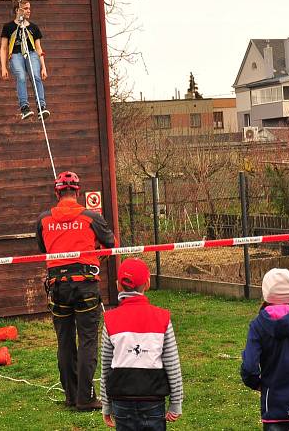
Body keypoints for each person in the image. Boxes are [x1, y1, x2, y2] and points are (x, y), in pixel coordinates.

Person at [36, 171, 116, 411]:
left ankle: (71, 396)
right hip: (85, 287)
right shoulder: (91, 217)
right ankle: (85, 397)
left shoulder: (43, 219)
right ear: (78, 192)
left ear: (57, 192)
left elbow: (43, 249)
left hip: (58, 288)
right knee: (88, 340)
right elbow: (111, 243)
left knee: (65, 341)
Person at [100, 258, 183, 430]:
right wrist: (176, 402)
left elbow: (106, 367)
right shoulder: (163, 318)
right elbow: (172, 363)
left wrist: (106, 404)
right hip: (152, 399)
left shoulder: (109, 320)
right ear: (147, 283)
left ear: (118, 285)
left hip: (121, 400)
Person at [241, 269, 289, 431]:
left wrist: (257, 384)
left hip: (274, 404)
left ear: (266, 293)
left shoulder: (257, 325)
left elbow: (249, 366)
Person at [0, 0, 50, 121]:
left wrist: (43, 67)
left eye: (29, 8)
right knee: (21, 76)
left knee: (36, 76)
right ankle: (24, 107)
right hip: (16, 54)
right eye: (25, 8)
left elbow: (38, 48)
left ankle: (41, 106)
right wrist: (3, 67)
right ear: (18, 10)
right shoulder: (8, 27)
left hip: (31, 53)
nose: (29, 10)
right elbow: (3, 48)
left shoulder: (34, 28)